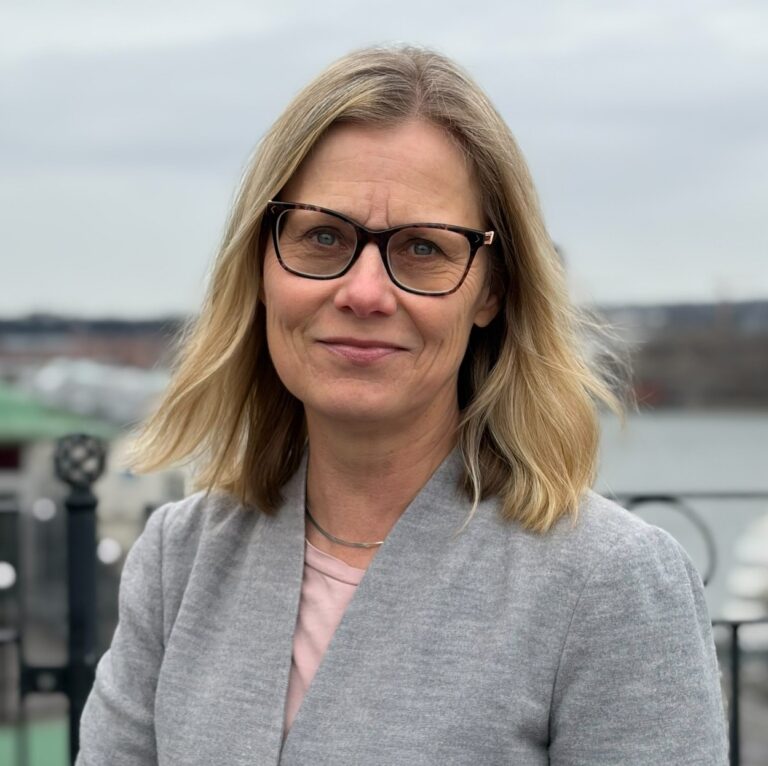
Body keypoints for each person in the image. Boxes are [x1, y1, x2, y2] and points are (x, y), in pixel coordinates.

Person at [76, 45, 728, 765]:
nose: (363, 292)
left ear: (491, 291)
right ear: (260, 266)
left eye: (422, 248)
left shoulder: (608, 582)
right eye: (323, 236)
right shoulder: (180, 559)